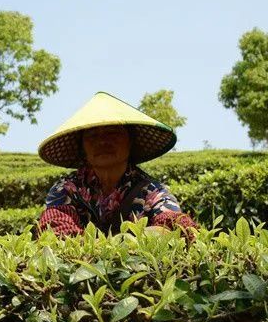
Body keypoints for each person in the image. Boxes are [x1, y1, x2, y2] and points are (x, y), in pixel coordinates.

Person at [36, 91, 198, 238]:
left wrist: (133, 240)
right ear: (82, 147)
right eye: (92, 135)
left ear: (130, 142)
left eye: (113, 132)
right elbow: (56, 231)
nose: (102, 141)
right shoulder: (67, 189)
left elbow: (176, 227)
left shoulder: (152, 191)